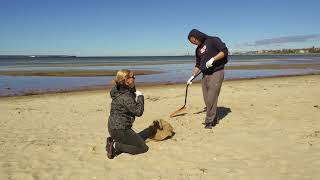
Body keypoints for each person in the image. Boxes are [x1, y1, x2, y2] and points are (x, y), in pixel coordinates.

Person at [187, 29, 228, 129]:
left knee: (211, 97)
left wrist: (213, 59)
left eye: (194, 40)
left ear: (198, 36)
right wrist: (192, 77)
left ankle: (209, 121)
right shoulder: (197, 50)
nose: (194, 43)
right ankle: (214, 117)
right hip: (205, 74)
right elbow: (197, 65)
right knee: (207, 98)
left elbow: (224, 51)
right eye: (192, 42)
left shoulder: (213, 40)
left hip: (216, 72)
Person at [106, 69, 149, 159]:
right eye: (132, 77)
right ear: (126, 80)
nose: (134, 78)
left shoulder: (117, 89)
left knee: (136, 140)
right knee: (142, 148)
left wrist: (132, 87)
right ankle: (115, 145)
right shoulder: (126, 96)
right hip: (120, 129)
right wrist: (140, 97)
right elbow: (138, 112)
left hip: (113, 127)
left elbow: (131, 93)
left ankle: (113, 140)